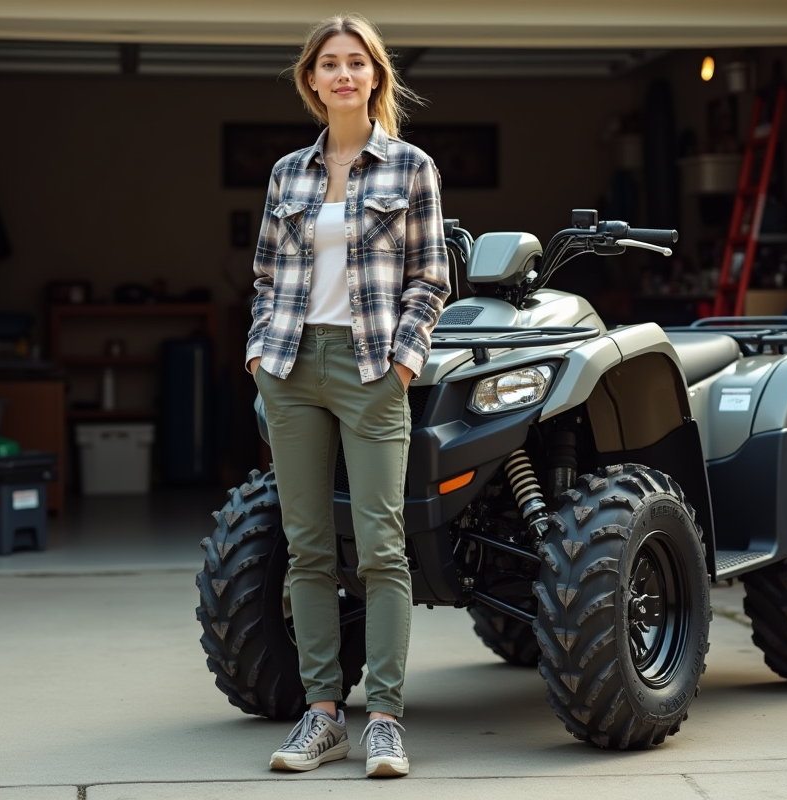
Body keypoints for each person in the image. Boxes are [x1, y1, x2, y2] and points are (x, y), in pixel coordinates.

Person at [245, 12, 449, 780]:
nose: (341, 74)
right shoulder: (287, 175)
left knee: (382, 545)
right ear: (311, 80)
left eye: (355, 63)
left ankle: (386, 720)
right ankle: (323, 713)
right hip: (292, 366)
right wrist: (261, 351)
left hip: (371, 367)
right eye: (328, 63)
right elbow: (267, 274)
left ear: (375, 77)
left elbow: (431, 277)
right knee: (306, 547)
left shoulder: (410, 167)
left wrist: (401, 362)